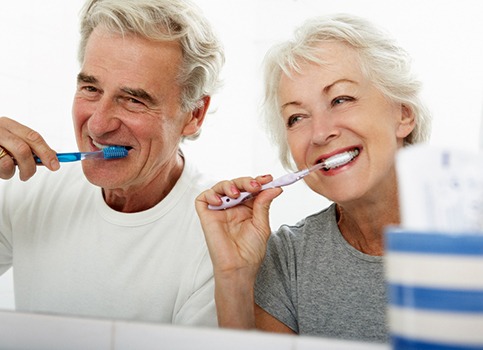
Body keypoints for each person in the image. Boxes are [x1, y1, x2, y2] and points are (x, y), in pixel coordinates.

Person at [195, 13, 431, 342]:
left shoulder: (468, 233)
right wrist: (234, 276)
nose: (319, 133)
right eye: (296, 117)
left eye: (341, 99)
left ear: (403, 114)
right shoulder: (286, 258)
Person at [0, 0, 224, 326]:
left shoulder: (217, 239)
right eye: (91, 88)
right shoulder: (28, 189)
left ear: (194, 114)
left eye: (133, 100)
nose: (98, 125)